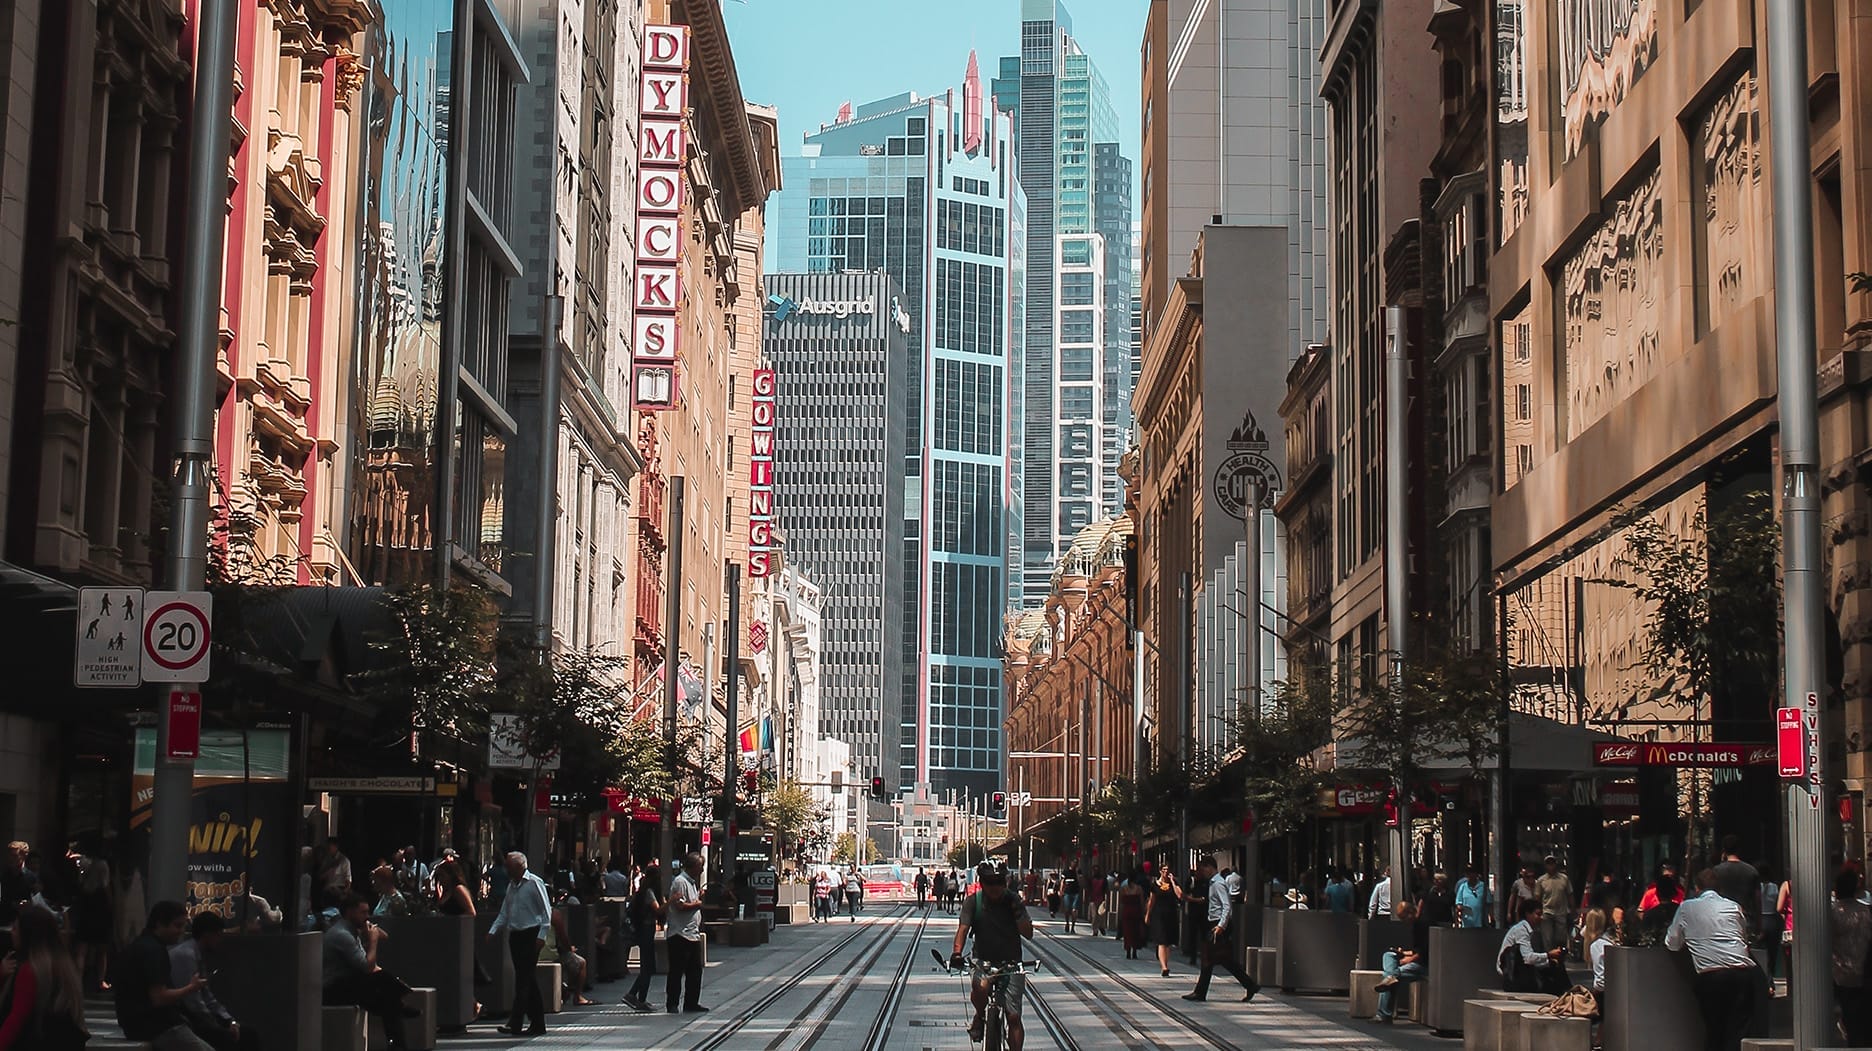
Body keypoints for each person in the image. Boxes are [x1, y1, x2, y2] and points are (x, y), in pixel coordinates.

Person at [1665, 869, 1761, 1051]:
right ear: (1720, 888)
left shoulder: (1686, 907)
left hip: (1711, 977)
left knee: (1715, 1030)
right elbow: (1742, 937)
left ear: (1697, 888)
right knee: (1739, 1031)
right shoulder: (1733, 906)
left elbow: (1672, 943)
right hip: (1742, 974)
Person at [951, 861, 1034, 1050]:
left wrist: (1017, 912)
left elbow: (1028, 933)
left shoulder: (1013, 900)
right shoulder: (974, 902)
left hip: (1011, 962)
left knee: (1013, 1016)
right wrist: (957, 953)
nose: (995, 887)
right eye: (990, 882)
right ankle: (980, 1015)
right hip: (983, 960)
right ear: (982, 882)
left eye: (999, 882)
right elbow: (963, 930)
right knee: (979, 988)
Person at [115, 901, 213, 1051]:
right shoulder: (154, 951)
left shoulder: (141, 944)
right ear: (160, 924)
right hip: (157, 1026)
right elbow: (159, 997)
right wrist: (191, 988)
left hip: (139, 1024)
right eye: (177, 926)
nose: (181, 931)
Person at [321, 895, 413, 1050]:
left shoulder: (352, 932)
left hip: (346, 984)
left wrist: (370, 932)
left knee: (387, 1001)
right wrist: (373, 941)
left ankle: (398, 1014)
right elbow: (367, 967)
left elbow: (382, 941)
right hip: (333, 989)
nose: (367, 916)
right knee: (385, 995)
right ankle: (400, 1003)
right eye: (363, 912)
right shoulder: (342, 935)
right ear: (350, 912)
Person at [0, 904, 87, 1051]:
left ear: (27, 934)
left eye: (15, 928)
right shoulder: (63, 966)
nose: (11, 933)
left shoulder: (30, 970)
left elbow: (16, 1018)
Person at [169, 912, 260, 1051]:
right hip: (186, 1019)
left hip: (200, 1017)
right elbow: (193, 1002)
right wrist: (216, 1024)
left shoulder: (197, 955)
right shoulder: (185, 956)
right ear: (207, 935)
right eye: (218, 935)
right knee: (227, 1038)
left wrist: (230, 1020)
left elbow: (207, 996)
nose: (220, 940)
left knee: (247, 1033)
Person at [486, 852, 551, 1036]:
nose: (506, 870)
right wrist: (493, 930)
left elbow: (546, 912)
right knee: (527, 979)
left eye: (509, 866)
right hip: (515, 936)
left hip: (531, 934)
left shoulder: (534, 883)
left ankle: (515, 1022)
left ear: (519, 867)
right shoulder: (511, 887)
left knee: (523, 980)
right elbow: (504, 912)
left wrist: (542, 936)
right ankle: (538, 1023)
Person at [1182, 856, 1259, 1005]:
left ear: (1209, 867)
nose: (1200, 872)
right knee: (1218, 959)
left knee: (1211, 958)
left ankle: (1200, 992)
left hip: (1217, 925)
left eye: (1201, 868)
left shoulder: (1218, 884)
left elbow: (1227, 905)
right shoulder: (1213, 883)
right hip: (1214, 923)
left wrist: (1221, 926)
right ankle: (1249, 985)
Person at [1832, 867, 1872, 1046]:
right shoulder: (1867, 911)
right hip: (1865, 971)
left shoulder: (1833, 912)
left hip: (1841, 973)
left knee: (1849, 1017)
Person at [620, 860, 664, 1012]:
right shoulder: (649, 893)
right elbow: (658, 910)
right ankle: (634, 996)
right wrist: (671, 901)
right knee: (647, 966)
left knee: (648, 966)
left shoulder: (644, 892)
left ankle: (639, 998)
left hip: (645, 930)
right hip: (645, 930)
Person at [1373, 902, 1428, 1023]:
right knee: (1388, 955)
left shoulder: (1423, 925)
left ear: (1410, 913)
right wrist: (1403, 953)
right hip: (1416, 960)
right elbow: (1416, 951)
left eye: (1403, 918)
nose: (1403, 921)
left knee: (1388, 976)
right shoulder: (1415, 925)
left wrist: (1409, 959)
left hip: (1423, 965)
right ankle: (1392, 976)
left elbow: (1425, 952)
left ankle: (1383, 1014)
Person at [1498, 899, 1568, 994]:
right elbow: (1528, 958)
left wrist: (1549, 961)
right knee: (1553, 982)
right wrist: (1548, 955)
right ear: (1528, 914)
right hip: (1514, 977)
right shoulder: (1521, 931)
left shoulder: (1527, 930)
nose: (1541, 918)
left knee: (1554, 966)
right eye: (1538, 914)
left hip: (1519, 971)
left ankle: (1569, 992)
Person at [666, 853, 706, 1014]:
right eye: (700, 866)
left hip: (692, 933)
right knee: (676, 971)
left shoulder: (691, 883)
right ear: (693, 866)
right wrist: (698, 903)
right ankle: (672, 1003)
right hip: (680, 934)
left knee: (695, 971)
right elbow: (680, 906)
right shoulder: (680, 882)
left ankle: (691, 1003)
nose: (702, 869)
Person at [546, 890, 595, 1007]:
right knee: (581, 963)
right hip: (551, 954)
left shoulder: (527, 912)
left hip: (532, 953)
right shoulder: (553, 914)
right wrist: (569, 948)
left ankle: (565, 988)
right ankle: (577, 996)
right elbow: (563, 938)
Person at [1145, 865, 1183, 978]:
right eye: (1164, 870)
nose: (1166, 872)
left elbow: (1180, 895)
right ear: (1160, 871)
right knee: (1161, 941)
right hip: (1158, 915)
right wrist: (1147, 914)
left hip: (1171, 915)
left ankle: (1165, 963)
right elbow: (1152, 900)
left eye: (1168, 870)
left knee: (1168, 942)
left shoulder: (1174, 883)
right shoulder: (1155, 885)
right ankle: (1164, 967)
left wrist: (1172, 881)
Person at [1537, 856, 1573, 957]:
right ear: (1545, 865)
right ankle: (1549, 957)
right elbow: (1537, 897)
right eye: (1548, 863)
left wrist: (1573, 909)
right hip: (1546, 911)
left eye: (1552, 863)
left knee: (1561, 938)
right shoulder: (1541, 880)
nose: (1550, 866)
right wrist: (1537, 912)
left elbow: (1570, 894)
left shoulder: (1564, 878)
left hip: (1561, 912)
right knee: (1547, 938)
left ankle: (1561, 956)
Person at [0, 842, 36, 931]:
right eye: (9, 856)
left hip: (24, 923)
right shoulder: (3, 876)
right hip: (4, 920)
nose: (10, 859)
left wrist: (28, 903)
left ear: (24, 856)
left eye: (14, 856)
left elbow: (37, 901)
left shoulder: (31, 877)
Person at [1118, 870, 1146, 959]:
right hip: (1136, 911)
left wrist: (1120, 913)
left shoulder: (1123, 888)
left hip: (1126, 911)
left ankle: (1128, 951)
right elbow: (1142, 902)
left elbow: (1121, 902)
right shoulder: (1139, 888)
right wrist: (1143, 912)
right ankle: (1134, 951)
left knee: (1127, 932)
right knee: (1135, 932)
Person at [317, 841, 353, 908]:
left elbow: (348, 878)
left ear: (336, 847)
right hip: (327, 889)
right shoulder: (326, 859)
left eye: (330, 847)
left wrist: (345, 892)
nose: (328, 849)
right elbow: (320, 876)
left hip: (339, 889)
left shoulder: (344, 860)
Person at [1059, 868, 1081, 933]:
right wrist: (1061, 890)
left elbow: (1080, 882)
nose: (1075, 864)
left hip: (1076, 893)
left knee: (1074, 910)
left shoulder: (1078, 871)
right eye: (1073, 862)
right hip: (1067, 893)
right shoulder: (1066, 871)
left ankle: (1073, 927)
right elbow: (1062, 881)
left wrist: (1077, 875)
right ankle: (1067, 923)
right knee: (1067, 909)